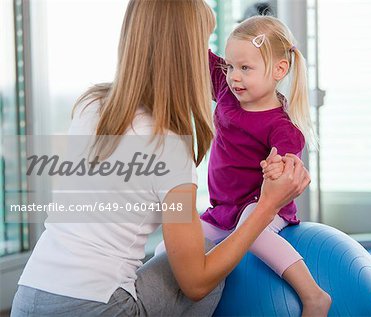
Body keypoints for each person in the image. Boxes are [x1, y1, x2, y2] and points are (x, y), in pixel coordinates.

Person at [10, 1, 311, 316]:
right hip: (97, 307)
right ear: (188, 52)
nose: (218, 64)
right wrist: (266, 206)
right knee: (208, 272)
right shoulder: (168, 146)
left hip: (27, 297)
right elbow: (196, 282)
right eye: (205, 44)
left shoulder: (92, 105)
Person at [158, 15, 331, 317]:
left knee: (257, 234)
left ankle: (313, 295)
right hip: (222, 210)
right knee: (166, 252)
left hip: (262, 207)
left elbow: (288, 167)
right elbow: (195, 54)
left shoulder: (282, 126)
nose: (234, 76)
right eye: (230, 66)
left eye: (246, 68)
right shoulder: (227, 90)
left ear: (279, 69)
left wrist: (277, 169)